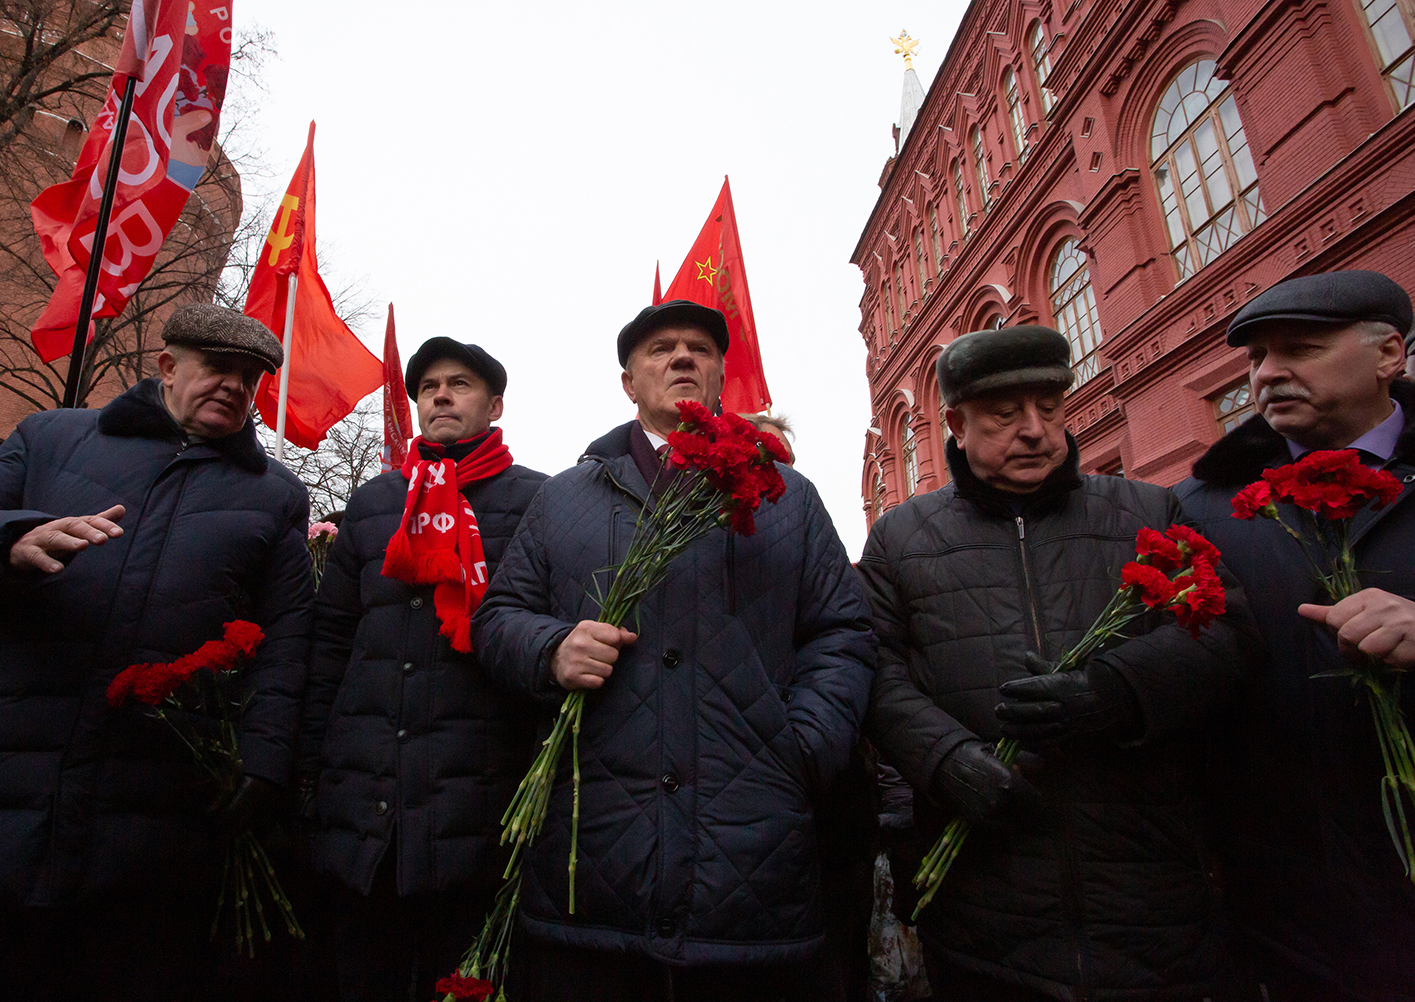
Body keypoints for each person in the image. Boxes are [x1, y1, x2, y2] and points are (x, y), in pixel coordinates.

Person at [473, 300, 875, 1001]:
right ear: (628, 381)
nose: (683, 357)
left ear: (722, 376)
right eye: (661, 348)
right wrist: (551, 650)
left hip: (749, 863)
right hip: (590, 857)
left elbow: (841, 631)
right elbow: (499, 617)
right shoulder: (565, 497)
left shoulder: (788, 498)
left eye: (700, 348)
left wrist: (801, 745)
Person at [0, 303, 313, 1002]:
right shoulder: (51, 439)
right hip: (0, 786)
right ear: (166, 366)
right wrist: (8, 540)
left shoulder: (276, 496)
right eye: (218, 368)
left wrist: (263, 762)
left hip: (151, 817)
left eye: (249, 379)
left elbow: (284, 642)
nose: (234, 387)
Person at [862, 325, 1254, 1002]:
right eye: (1005, 415)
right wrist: (945, 760)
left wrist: (1115, 691)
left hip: (1150, 901)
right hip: (988, 910)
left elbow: (1228, 636)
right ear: (955, 424)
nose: (1036, 431)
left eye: (1049, 405)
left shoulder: (1144, 509)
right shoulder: (902, 539)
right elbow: (874, 672)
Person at [1174, 270, 1415, 1001]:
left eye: (1300, 349)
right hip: (1291, 915)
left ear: (1390, 355)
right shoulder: (1202, 508)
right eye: (1256, 359)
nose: (1267, 374)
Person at [299, 337, 546, 1002]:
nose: (440, 394)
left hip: (477, 811)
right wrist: (314, 766)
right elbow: (331, 640)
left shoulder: (538, 503)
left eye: (459, 384)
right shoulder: (377, 503)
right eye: (429, 385)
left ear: (494, 405)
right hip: (366, 810)